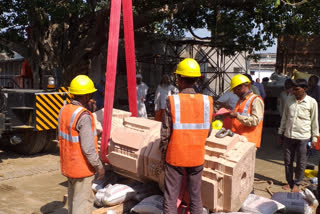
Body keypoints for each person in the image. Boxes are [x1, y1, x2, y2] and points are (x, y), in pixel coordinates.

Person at [159, 58, 213, 214]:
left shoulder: (173, 101)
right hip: (197, 155)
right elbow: (207, 131)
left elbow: (165, 133)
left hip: (176, 155)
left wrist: (163, 154)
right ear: (196, 79)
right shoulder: (207, 101)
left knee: (170, 197)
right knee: (195, 197)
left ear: (179, 79)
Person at [58, 75, 105, 214]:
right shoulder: (83, 116)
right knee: (82, 206)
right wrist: (99, 166)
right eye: (90, 95)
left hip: (68, 165)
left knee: (73, 202)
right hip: (82, 168)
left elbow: (69, 134)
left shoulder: (64, 110)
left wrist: (93, 133)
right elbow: (88, 149)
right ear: (85, 96)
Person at [278, 79, 319, 193]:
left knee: (301, 162)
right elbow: (285, 118)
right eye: (293, 89)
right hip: (288, 135)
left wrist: (315, 138)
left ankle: (297, 183)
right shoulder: (289, 100)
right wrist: (280, 132)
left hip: (303, 137)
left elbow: (314, 121)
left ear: (304, 89)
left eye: (296, 89)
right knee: (287, 161)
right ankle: (289, 182)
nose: (293, 91)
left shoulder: (312, 102)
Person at [228, 74, 264, 148]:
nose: (234, 92)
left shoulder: (256, 100)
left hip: (249, 141)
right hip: (239, 139)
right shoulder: (241, 100)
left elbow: (255, 121)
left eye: (235, 89)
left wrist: (237, 116)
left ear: (242, 87)